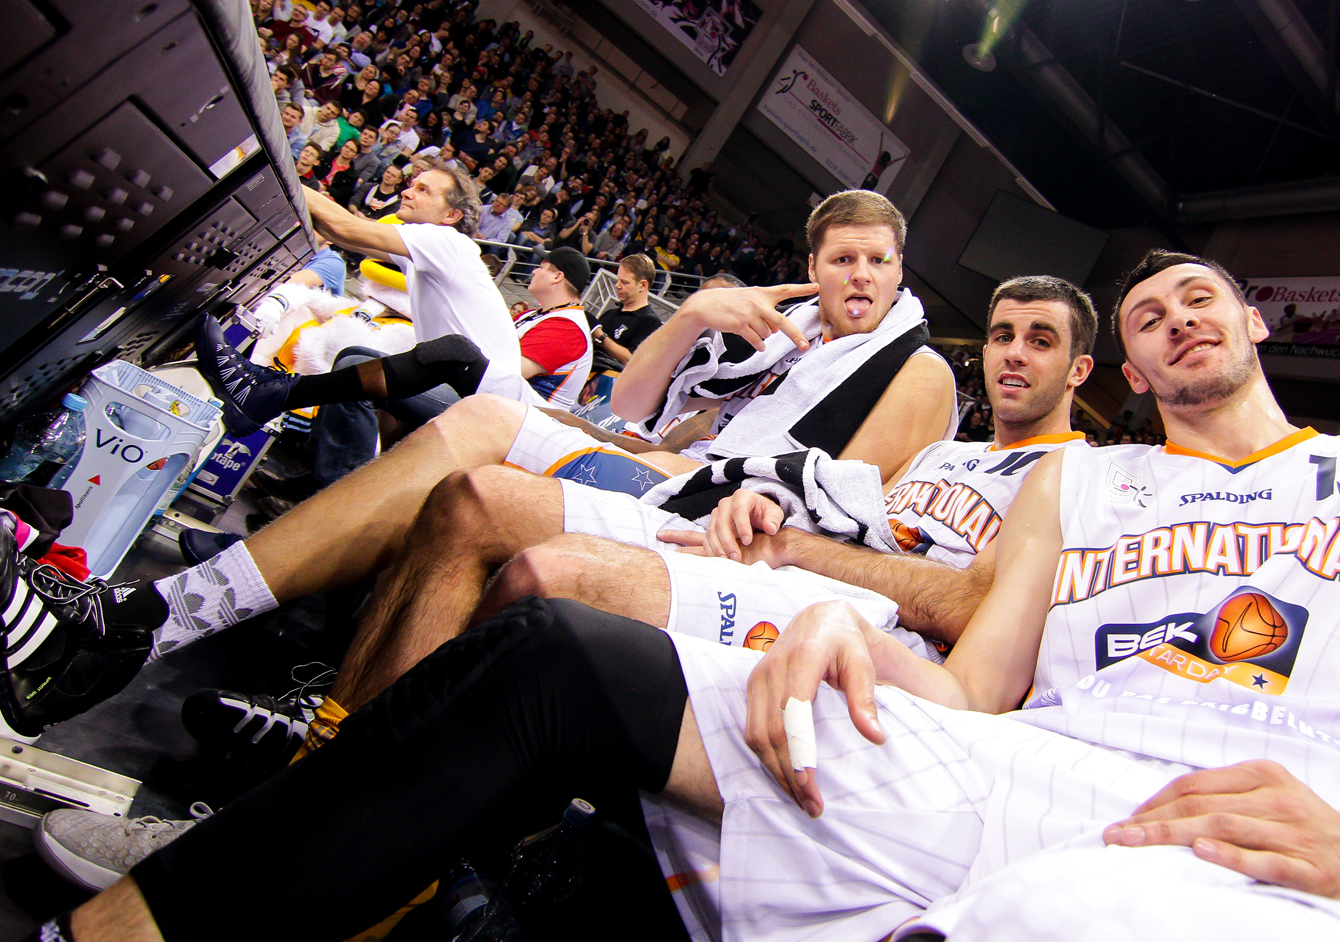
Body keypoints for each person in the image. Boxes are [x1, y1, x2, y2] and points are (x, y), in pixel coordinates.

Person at [41, 252, 1340, 942]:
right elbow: (980, 686)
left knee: (1051, 921)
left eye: (1204, 295)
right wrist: (856, 630)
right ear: (1131, 372)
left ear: (1260, 323)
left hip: (1262, 815)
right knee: (553, 654)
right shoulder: (1083, 484)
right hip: (1030, 758)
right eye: (1149, 309)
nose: (1178, 315)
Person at [26, 275, 1095, 902]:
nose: (1010, 354)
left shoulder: (1064, 476)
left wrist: (796, 546)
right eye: (1000, 333)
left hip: (837, 623)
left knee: (534, 561)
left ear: (1083, 371)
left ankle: (298, 860)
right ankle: (243, 748)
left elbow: (959, 612)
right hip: (753, 532)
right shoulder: (932, 450)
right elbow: (738, 461)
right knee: (468, 497)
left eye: (1038, 341)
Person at [0, 195, 954, 737]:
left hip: (720, 542)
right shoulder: (792, 345)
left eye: (875, 260)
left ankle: (152, 625)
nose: (858, 277)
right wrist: (698, 314)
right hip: (664, 480)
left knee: (471, 424)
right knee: (461, 449)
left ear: (900, 265)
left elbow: (819, 510)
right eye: (840, 260)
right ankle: (188, 641)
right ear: (815, 266)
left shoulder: (915, 368)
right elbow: (633, 410)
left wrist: (669, 455)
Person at [192, 164, 534, 439]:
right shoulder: (436, 248)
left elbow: (347, 228)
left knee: (351, 365)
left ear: (451, 216)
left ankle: (262, 395)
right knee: (355, 358)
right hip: (474, 396)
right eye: (412, 185)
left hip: (485, 405)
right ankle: (308, 450)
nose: (406, 191)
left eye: (422, 190)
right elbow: (343, 234)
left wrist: (269, 168)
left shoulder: (446, 241)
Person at [514, 246, 593, 410]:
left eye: (541, 267)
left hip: (526, 422)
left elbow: (510, 371)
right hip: (504, 409)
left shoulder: (568, 329)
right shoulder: (532, 314)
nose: (534, 272)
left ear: (557, 276)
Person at [591, 254, 661, 367]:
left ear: (642, 285)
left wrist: (601, 336)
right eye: (618, 280)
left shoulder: (650, 322)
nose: (617, 285)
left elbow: (631, 360)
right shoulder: (610, 313)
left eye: (624, 282)